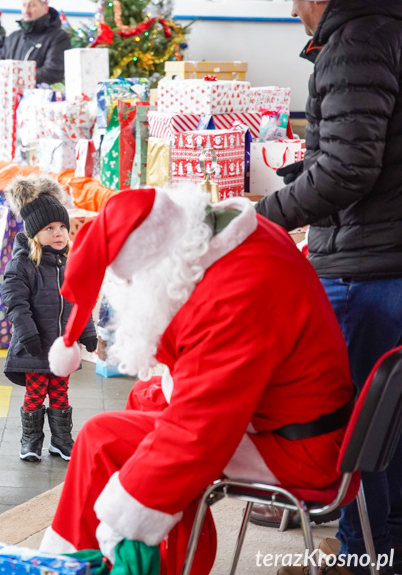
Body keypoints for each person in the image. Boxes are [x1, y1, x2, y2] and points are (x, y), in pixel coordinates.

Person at [36, 187, 354, 572]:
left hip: (300, 452)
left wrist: (128, 509)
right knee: (146, 397)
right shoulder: (237, 238)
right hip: (297, 419)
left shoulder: (231, 296)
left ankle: (76, 560)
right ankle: (168, 553)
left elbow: (199, 430)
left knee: (103, 438)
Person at [252, 0, 402, 572]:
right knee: (389, 425)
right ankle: (381, 550)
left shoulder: (357, 39)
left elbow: (347, 169)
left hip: (363, 268)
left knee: (357, 428)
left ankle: (360, 555)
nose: (293, 11)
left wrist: (259, 218)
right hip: (385, 260)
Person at [1, 175, 96, 462]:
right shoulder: (22, 264)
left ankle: (61, 440)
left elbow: (82, 301)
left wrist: (87, 332)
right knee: (35, 392)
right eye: (50, 228)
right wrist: (27, 333)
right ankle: (31, 440)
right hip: (34, 345)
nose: (59, 233)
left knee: (60, 393)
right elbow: (15, 302)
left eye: (63, 227)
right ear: (34, 233)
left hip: (62, 347)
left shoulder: (69, 263)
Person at [0, 0, 71, 86]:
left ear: (45, 8)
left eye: (32, 5)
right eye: (24, 5)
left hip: (42, 96)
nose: (26, 10)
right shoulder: (13, 37)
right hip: (10, 95)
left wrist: (17, 78)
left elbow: (53, 70)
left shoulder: (58, 37)